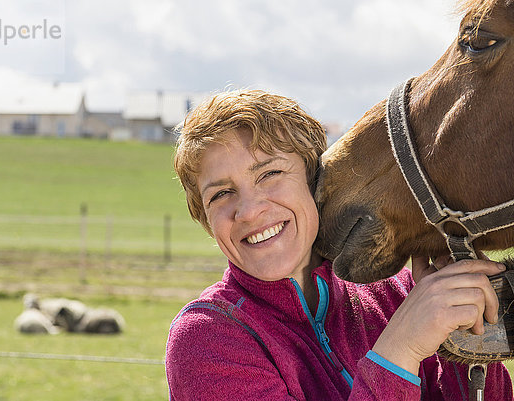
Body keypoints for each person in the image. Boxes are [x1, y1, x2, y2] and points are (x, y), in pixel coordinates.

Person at [165, 89, 513, 400]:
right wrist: (401, 350)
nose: (249, 210)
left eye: (269, 174)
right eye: (221, 194)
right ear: (206, 220)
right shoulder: (206, 340)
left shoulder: (406, 296)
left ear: (316, 182)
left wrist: (466, 339)